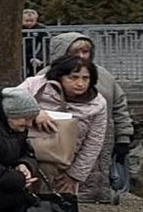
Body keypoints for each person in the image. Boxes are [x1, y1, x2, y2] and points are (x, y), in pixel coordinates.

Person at [46, 32, 134, 201]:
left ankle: (100, 194)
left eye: (85, 52)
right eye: (76, 52)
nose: (81, 56)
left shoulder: (104, 76)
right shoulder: (46, 77)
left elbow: (119, 105)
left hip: (102, 133)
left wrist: (123, 136)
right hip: (64, 137)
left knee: (99, 167)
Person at [17, 55, 110, 199]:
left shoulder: (97, 104)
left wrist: (75, 175)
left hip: (65, 164)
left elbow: (94, 142)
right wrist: (34, 112)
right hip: (26, 155)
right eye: (73, 78)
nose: (80, 83)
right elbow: (9, 100)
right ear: (60, 76)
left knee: (60, 206)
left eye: (85, 78)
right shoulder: (36, 85)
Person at [21, 9, 48, 76]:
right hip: (21, 55)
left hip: (35, 56)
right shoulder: (17, 28)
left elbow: (45, 45)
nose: (29, 23)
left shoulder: (41, 29)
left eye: (31, 21)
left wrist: (39, 57)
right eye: (27, 21)